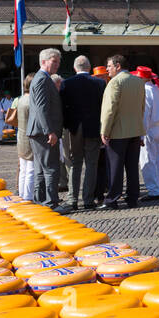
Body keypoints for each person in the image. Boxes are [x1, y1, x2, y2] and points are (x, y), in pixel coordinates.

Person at [99, 54, 146, 210]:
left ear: (118, 66)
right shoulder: (139, 82)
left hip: (118, 131)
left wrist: (104, 130)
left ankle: (112, 199)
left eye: (109, 66)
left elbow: (109, 109)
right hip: (135, 130)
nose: (107, 69)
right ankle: (132, 198)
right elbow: (142, 108)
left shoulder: (115, 83)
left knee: (115, 167)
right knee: (132, 167)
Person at [60, 55, 107, 211]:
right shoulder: (100, 83)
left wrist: (66, 125)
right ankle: (88, 200)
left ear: (75, 68)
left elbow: (63, 107)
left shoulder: (66, 83)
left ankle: (73, 199)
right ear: (89, 67)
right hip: (93, 128)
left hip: (73, 129)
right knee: (91, 164)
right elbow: (104, 107)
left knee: (75, 163)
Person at [27, 47, 70, 210]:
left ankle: (41, 201)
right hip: (44, 132)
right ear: (44, 61)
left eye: (59, 61)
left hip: (39, 132)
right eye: (54, 61)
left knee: (40, 169)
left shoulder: (41, 78)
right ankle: (51, 203)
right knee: (51, 168)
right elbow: (41, 108)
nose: (57, 65)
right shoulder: (42, 79)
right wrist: (49, 131)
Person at [136, 66, 159, 201]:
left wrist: (141, 133)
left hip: (149, 128)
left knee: (147, 160)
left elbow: (145, 114)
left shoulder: (145, 91)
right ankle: (157, 187)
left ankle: (154, 190)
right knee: (156, 161)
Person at [6, 75, 34, 200]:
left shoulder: (20, 99)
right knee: (31, 169)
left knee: (23, 168)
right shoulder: (31, 101)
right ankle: (28, 196)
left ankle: (23, 194)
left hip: (21, 136)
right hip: (30, 137)